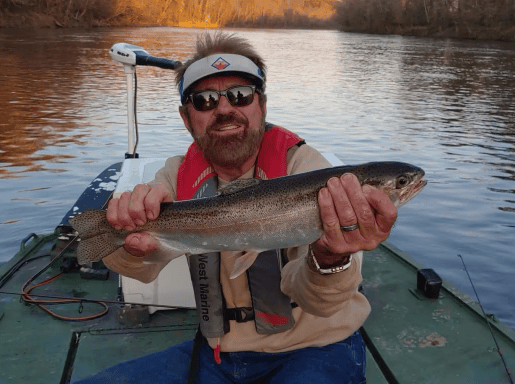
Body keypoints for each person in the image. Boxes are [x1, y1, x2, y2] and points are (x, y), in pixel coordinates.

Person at [76, 32, 398, 384]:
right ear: (187, 118)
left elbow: (320, 303)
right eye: (204, 100)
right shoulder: (173, 176)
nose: (225, 108)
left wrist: (331, 258)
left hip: (316, 347)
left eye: (240, 95)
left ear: (261, 106)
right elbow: (140, 268)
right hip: (217, 354)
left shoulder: (307, 168)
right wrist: (127, 235)